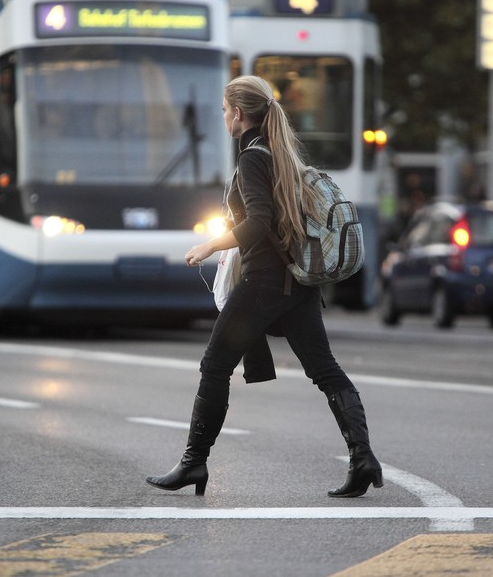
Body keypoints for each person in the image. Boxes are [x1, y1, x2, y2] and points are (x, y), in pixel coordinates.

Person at [145, 75, 384, 498]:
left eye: (223, 110)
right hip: (297, 281)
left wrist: (208, 246)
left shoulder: (253, 158)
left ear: (237, 113)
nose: (222, 117)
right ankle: (362, 459)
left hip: (265, 282)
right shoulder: (281, 152)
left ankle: (193, 463)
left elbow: (256, 223)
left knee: (215, 366)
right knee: (324, 369)